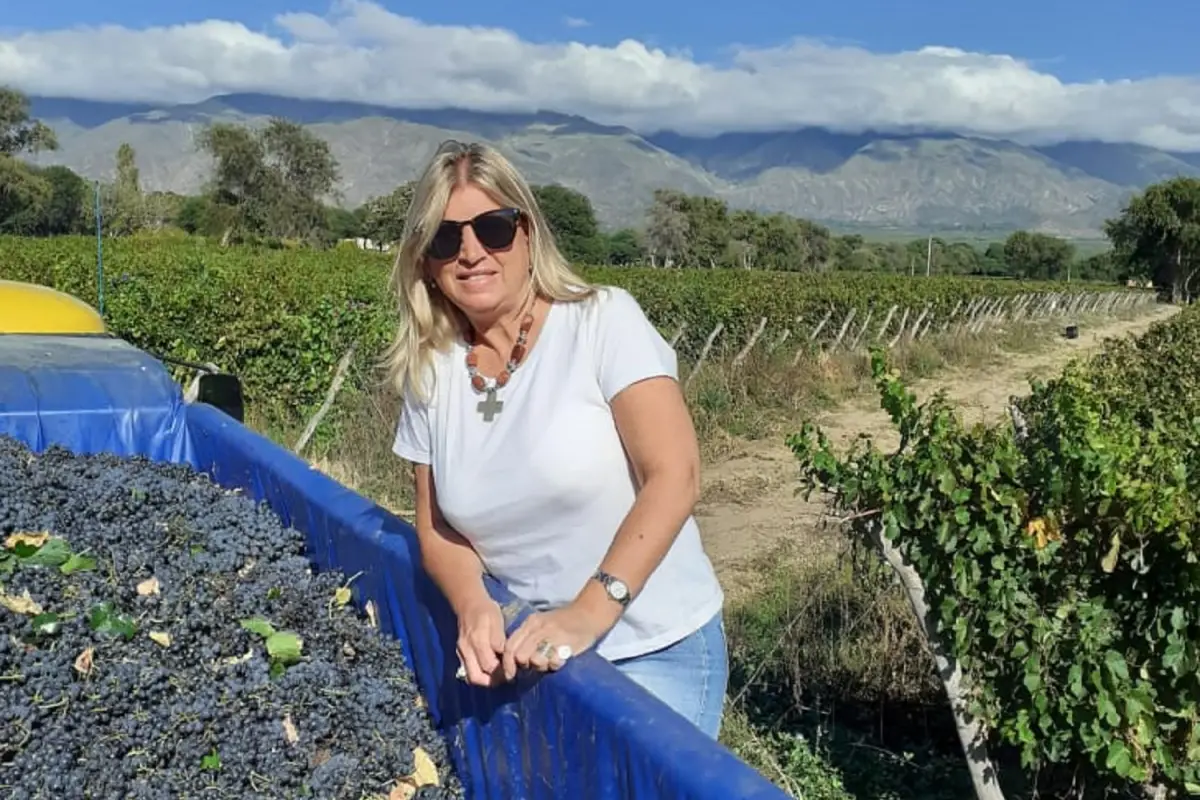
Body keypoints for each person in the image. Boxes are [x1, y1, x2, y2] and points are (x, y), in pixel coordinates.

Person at [384, 140, 727, 739]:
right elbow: (436, 526)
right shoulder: (430, 370)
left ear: (527, 234)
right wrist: (472, 605)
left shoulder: (602, 321)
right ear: (425, 263)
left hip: (651, 649)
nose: (471, 253)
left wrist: (588, 612)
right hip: (532, 656)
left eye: (492, 228)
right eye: (445, 238)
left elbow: (675, 475)